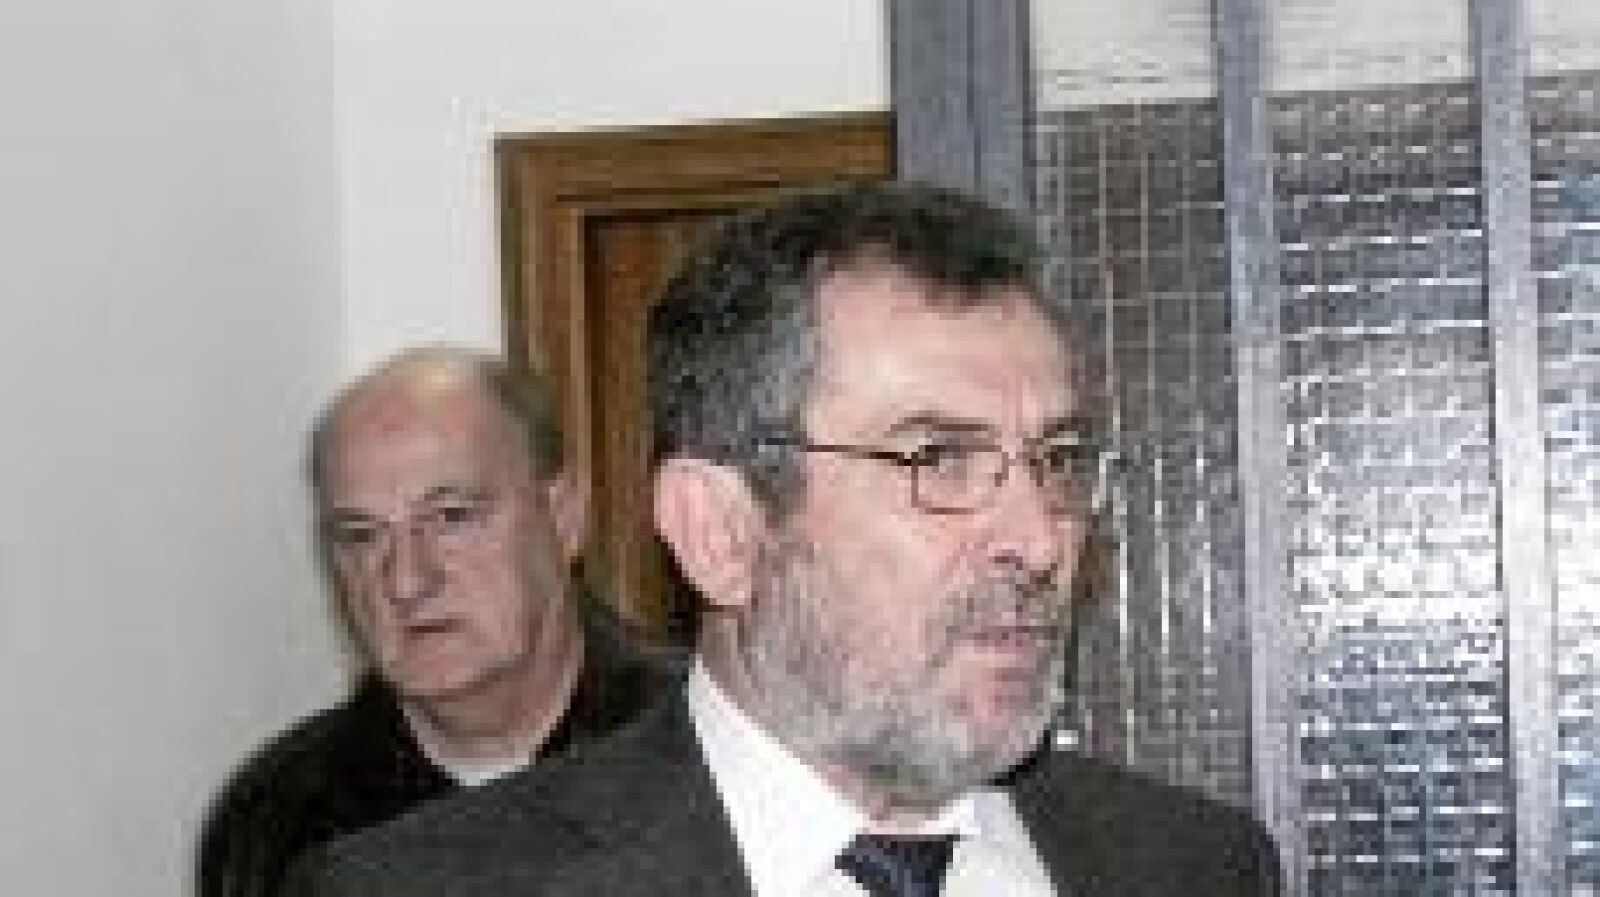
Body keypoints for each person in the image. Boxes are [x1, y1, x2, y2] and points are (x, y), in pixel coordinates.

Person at [291, 184, 1279, 896]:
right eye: (939, 457)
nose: (1039, 537)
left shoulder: (1190, 866)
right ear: (720, 532)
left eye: (1056, 459)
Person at [199, 347, 670, 897]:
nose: (406, 580)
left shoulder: (709, 747)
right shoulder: (275, 820)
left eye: (451, 517)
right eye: (361, 536)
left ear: (564, 517)